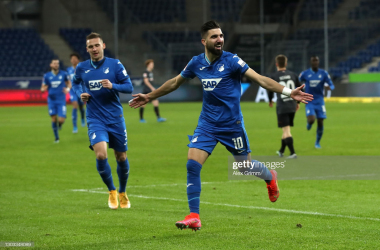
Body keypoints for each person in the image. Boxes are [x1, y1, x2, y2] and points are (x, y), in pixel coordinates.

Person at [129, 21, 313, 231]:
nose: (220, 39)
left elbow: (260, 79)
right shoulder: (196, 63)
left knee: (244, 167)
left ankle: (270, 176)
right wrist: (149, 96)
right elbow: (175, 82)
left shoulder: (232, 60)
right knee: (192, 164)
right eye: (215, 36)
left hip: (232, 125)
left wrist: (289, 93)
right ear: (204, 41)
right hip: (207, 124)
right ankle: (194, 215)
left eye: (221, 35)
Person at [71, 32, 133, 210]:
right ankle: (111, 191)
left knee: (121, 156)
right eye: (90, 46)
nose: (94, 49)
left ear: (103, 46)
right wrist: (79, 94)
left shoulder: (115, 64)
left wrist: (113, 86)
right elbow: (75, 83)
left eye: (97, 45)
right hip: (95, 117)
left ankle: (122, 191)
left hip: (115, 117)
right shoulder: (82, 67)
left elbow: (129, 87)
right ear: (87, 49)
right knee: (101, 154)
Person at [268, 55, 301, 159]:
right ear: (286, 64)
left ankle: (293, 153)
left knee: (286, 131)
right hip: (292, 106)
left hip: (282, 107)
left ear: (276, 64)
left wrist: (270, 100)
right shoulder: (293, 75)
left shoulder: (274, 76)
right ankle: (281, 151)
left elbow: (270, 89)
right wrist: (298, 103)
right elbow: (300, 89)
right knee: (285, 129)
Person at [299, 55, 334, 149]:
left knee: (320, 121)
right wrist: (298, 90)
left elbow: (331, 85)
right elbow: (297, 81)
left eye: (316, 61)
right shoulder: (305, 73)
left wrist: (329, 87)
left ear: (318, 62)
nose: (315, 62)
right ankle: (309, 123)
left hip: (320, 100)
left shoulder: (324, 73)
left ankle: (317, 142)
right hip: (309, 99)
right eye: (313, 61)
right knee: (311, 120)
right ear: (310, 63)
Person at [41, 59, 71, 143]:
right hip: (52, 100)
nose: (56, 65)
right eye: (54, 63)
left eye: (57, 63)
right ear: (51, 65)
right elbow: (43, 87)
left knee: (61, 120)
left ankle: (60, 124)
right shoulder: (47, 76)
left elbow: (69, 83)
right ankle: (57, 138)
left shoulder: (64, 74)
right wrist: (43, 89)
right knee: (53, 118)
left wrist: (68, 89)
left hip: (61, 100)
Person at [67, 52, 86, 133]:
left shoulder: (81, 68)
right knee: (74, 106)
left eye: (75, 58)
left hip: (80, 90)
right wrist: (68, 88)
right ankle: (75, 126)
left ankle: (82, 118)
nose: (73, 60)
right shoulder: (69, 70)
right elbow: (68, 81)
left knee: (81, 107)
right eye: (72, 59)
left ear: (77, 60)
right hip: (72, 91)